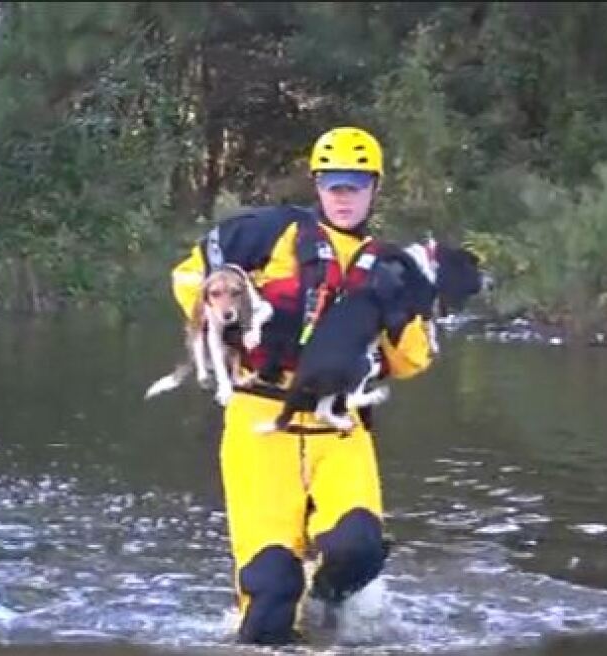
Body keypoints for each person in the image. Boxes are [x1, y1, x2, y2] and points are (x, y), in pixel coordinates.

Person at [168, 126, 437, 645]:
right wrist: (220, 315)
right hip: (259, 427)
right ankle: (280, 602)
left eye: (355, 185)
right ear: (317, 185)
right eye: (334, 184)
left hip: (338, 429)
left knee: (358, 548)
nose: (344, 196)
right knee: (269, 600)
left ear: (374, 188)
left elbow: (410, 361)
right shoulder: (266, 233)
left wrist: (403, 309)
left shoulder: (392, 266)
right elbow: (187, 276)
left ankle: (326, 602)